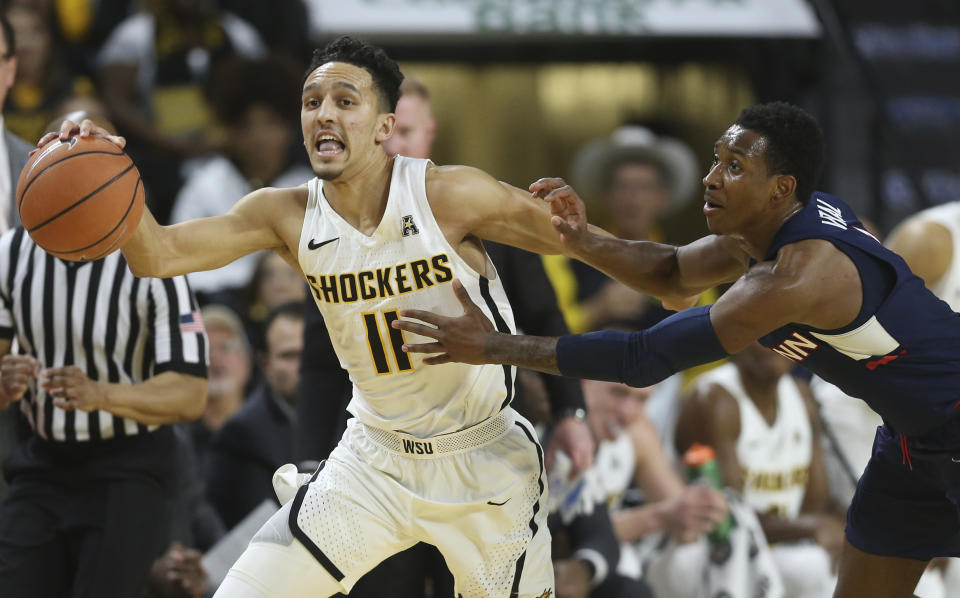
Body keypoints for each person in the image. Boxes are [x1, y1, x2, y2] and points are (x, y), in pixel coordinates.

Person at [48, 35, 585, 597]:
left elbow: (589, 248)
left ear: (385, 125)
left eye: (344, 101)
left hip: (482, 458)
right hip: (373, 459)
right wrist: (103, 166)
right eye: (311, 102)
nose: (324, 113)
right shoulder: (287, 213)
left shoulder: (451, 196)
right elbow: (157, 253)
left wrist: (676, 284)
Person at [395, 101, 960, 598]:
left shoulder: (797, 275)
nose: (712, 178)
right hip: (912, 441)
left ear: (781, 189)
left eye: (734, 168)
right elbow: (670, 274)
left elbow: (644, 358)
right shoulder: (761, 236)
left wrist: (492, 345)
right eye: (717, 159)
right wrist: (583, 239)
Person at [0, 227, 208, 597]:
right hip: (42, 463)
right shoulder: (11, 252)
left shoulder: (154, 258)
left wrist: (102, 394)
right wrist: (4, 383)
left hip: (128, 467)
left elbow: (190, 394)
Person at [676, 342, 844, 597]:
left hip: (781, 546)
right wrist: (812, 527)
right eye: (761, 331)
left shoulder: (802, 396)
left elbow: (816, 504)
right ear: (737, 336)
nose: (773, 344)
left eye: (780, 329)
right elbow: (729, 518)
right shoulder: (715, 399)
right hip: (707, 550)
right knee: (811, 567)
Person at [206, 302, 304, 528]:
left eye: (309, 357)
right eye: (289, 356)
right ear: (265, 364)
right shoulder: (243, 433)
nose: (302, 368)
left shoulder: (351, 412)